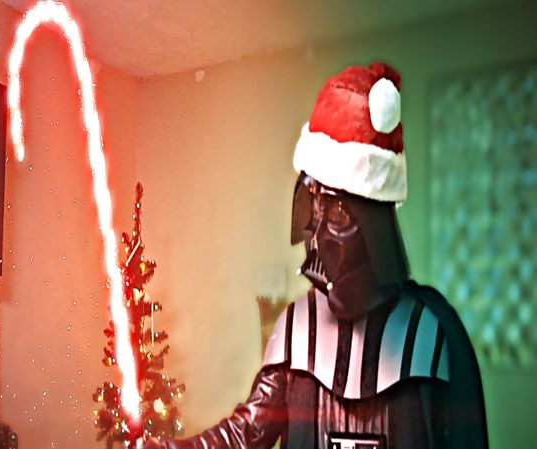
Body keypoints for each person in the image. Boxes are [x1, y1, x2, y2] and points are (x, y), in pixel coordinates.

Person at [143, 62, 488, 449]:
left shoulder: (432, 332)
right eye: (313, 206)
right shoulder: (297, 326)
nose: (318, 235)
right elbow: (247, 433)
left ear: (375, 226)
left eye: (337, 211)